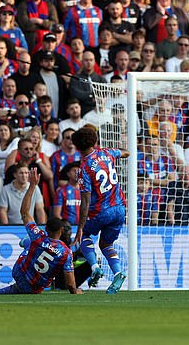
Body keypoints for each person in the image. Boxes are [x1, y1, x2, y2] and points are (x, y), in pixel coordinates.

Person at [0, 168, 82, 295]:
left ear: (46, 228)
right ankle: (27, 245)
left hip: (19, 274)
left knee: (32, 242)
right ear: (62, 230)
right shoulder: (66, 252)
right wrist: (75, 291)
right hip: (35, 288)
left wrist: (32, 186)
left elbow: (24, 213)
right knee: (35, 248)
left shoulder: (39, 236)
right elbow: (70, 283)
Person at [71, 126, 130, 294]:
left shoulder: (84, 169)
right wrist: (121, 152)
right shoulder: (107, 153)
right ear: (95, 141)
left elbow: (85, 200)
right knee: (106, 244)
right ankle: (118, 272)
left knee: (84, 236)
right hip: (119, 209)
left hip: (100, 211)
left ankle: (95, 267)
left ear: (77, 147)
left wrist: (80, 227)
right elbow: (126, 153)